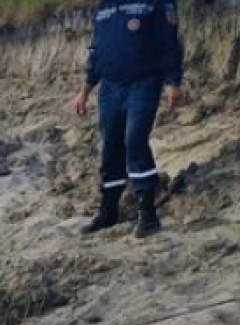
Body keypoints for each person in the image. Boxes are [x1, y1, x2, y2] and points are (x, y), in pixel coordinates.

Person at [72, 0, 184, 239]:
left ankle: (148, 214)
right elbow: (96, 52)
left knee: (134, 140)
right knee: (111, 145)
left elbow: (169, 42)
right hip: (110, 87)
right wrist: (84, 90)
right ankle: (109, 210)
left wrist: (173, 81)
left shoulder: (156, 3)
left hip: (143, 83)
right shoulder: (104, 8)